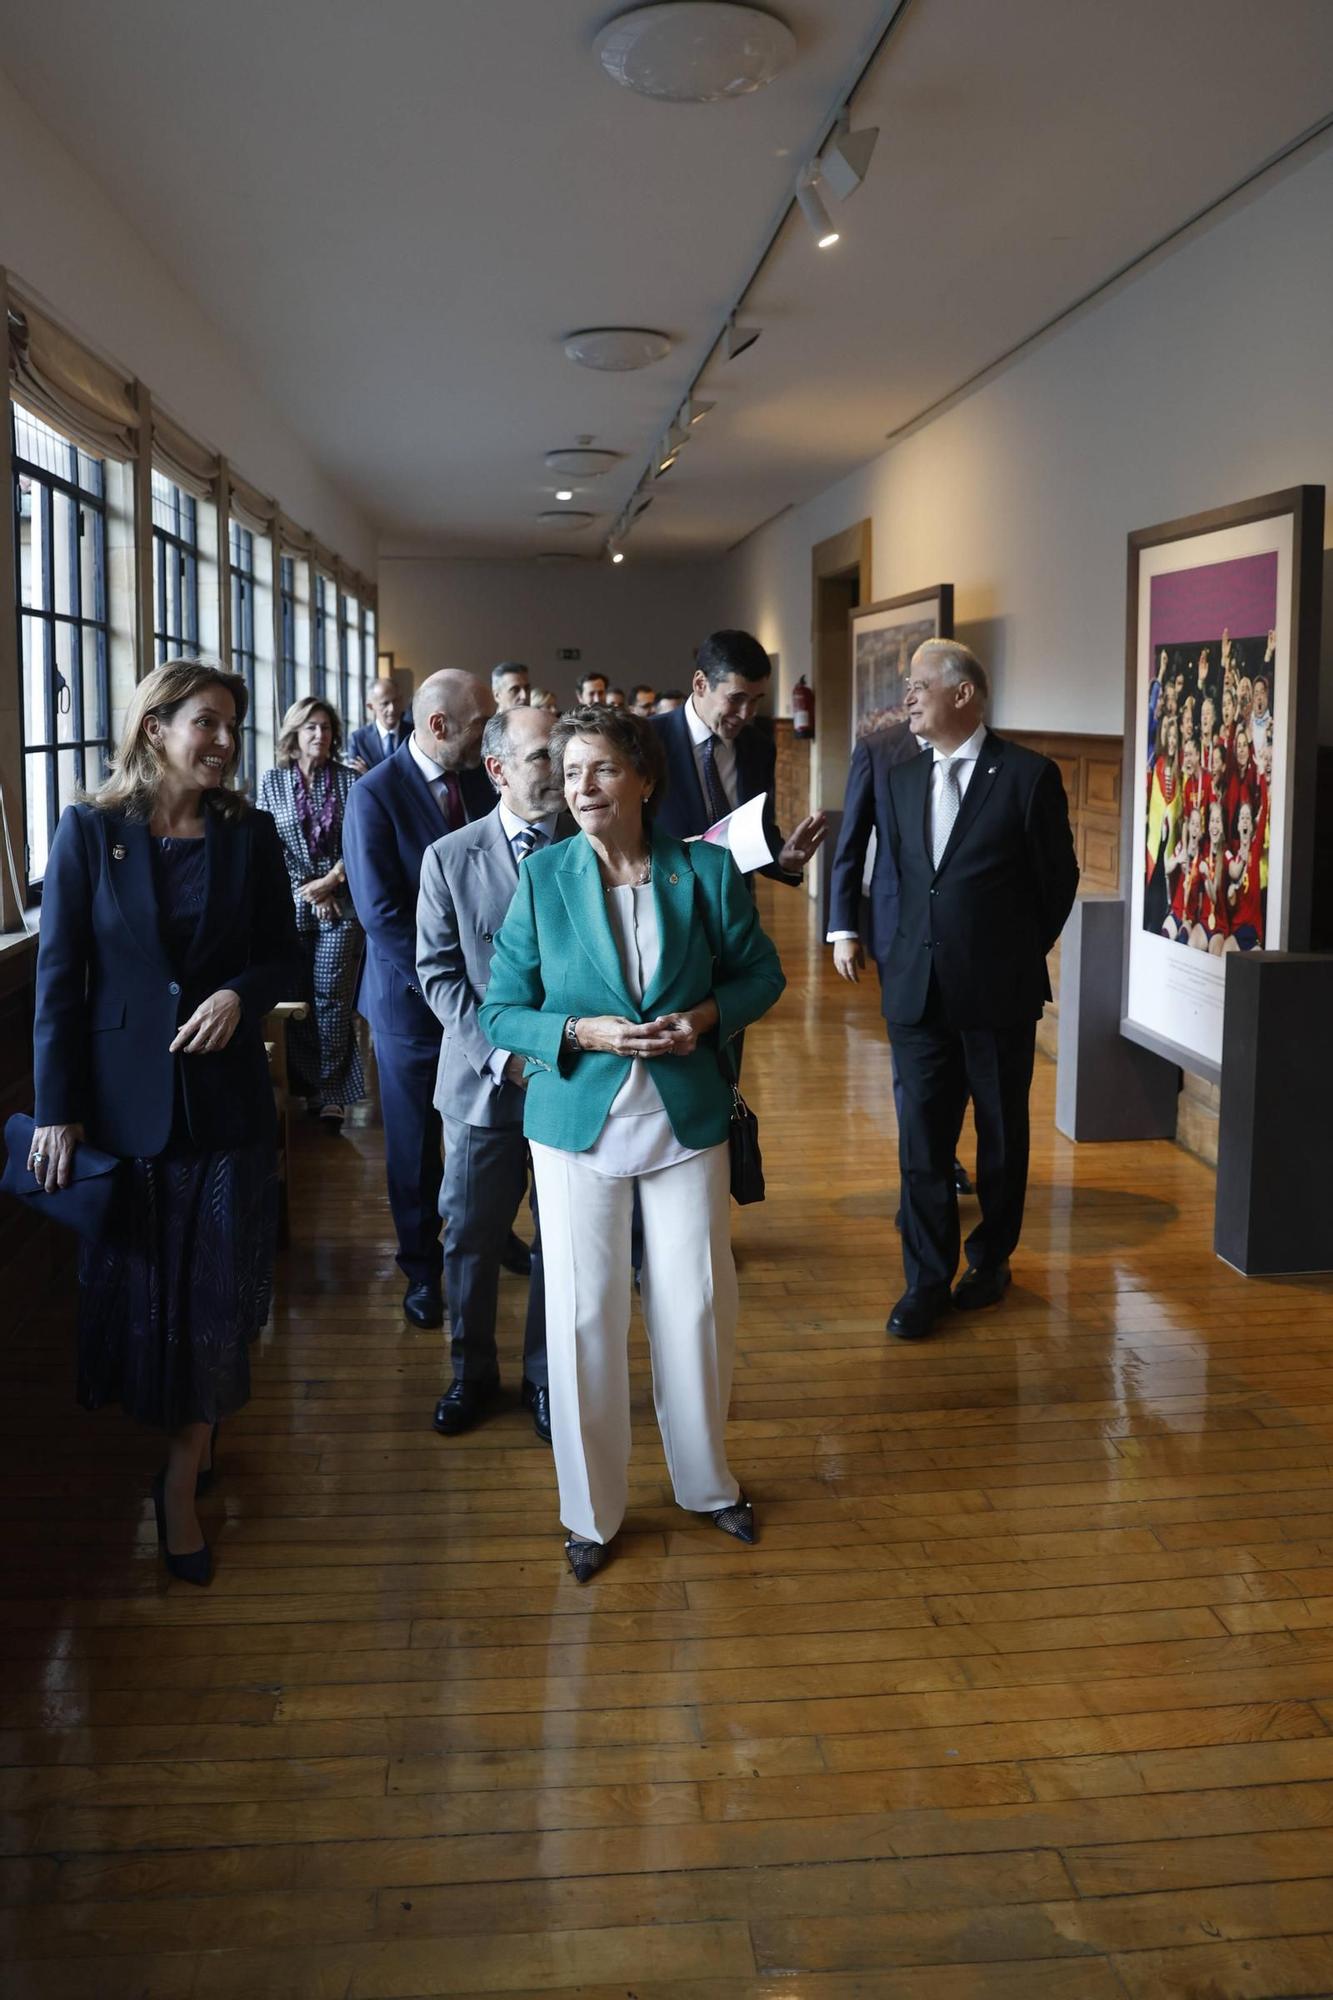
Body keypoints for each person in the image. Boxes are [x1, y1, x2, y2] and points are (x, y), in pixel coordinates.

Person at [479, 706, 786, 1581]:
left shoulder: (707, 871)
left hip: (685, 1118)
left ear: (644, 779)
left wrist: (701, 1019)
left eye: (601, 770)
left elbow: (761, 973)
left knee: (694, 1305)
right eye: (571, 773)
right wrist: (584, 1032)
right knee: (581, 1316)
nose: (581, 788)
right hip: (577, 1124)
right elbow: (501, 1009)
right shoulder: (543, 880)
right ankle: (590, 1511)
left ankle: (705, 1483)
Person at [29, 660, 302, 1585]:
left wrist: (236, 992)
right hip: (121, 1111)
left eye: (232, 725)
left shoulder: (251, 835)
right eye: (207, 724)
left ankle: (181, 1478)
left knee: (216, 1297)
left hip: (224, 1109)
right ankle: (187, 1437)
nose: (224, 742)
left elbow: (282, 958)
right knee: (148, 1302)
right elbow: (59, 983)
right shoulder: (89, 831)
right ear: (155, 729)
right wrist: (57, 1112)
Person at [879, 640, 1078, 1340]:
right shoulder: (900, 778)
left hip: (997, 992)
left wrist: (1010, 952)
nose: (908, 696)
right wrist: (890, 952)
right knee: (921, 1143)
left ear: (962, 694)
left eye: (919, 684)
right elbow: (896, 881)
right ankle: (924, 1281)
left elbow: (1057, 883)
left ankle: (989, 1260)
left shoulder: (1026, 776)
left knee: (998, 1137)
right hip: (915, 993)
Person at [416, 705, 575, 1441]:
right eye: (543, 756)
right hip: (483, 1084)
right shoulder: (450, 856)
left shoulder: (592, 847)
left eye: (564, 755)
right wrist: (503, 1056)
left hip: (575, 1083)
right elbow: (440, 975)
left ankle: (544, 1379)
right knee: (471, 1238)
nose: (560, 771)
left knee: (562, 1240)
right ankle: (470, 1373)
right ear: (498, 768)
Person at [342, 671, 496, 1326]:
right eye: (479, 722)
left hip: (484, 998)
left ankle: (491, 1233)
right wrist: (447, 989)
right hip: (410, 1004)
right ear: (438, 725)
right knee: (414, 1140)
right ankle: (420, 1266)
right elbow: (379, 914)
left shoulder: (479, 782)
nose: (487, 733)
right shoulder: (373, 796)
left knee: (486, 1128)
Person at [827, 718, 973, 1204]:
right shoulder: (878, 749)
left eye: (921, 685)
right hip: (898, 928)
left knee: (958, 1055)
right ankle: (925, 1170)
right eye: (908, 685)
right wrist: (844, 928)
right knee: (911, 1055)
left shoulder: (978, 752)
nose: (911, 696)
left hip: (962, 934)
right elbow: (849, 843)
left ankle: (939, 1151)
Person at [258, 696, 364, 1132]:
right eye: (311, 728)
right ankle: (306, 1085)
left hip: (340, 904)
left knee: (332, 999)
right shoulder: (272, 781)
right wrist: (309, 889)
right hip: (291, 903)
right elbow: (268, 843)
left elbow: (358, 841)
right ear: (294, 735)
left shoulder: (349, 781)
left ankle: (333, 1092)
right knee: (298, 999)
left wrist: (330, 882)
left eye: (326, 728)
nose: (321, 735)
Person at [650, 630, 827, 883]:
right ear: (700, 684)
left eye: (756, 700)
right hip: (667, 902)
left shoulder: (759, 747)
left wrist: (782, 857)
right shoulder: (647, 739)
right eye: (736, 699)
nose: (747, 714)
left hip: (736, 907)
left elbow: (758, 830)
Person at [348, 677, 411, 771]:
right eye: (385, 704)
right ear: (370, 706)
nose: (392, 708)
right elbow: (356, 779)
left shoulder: (414, 733)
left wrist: (368, 774)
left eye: (395, 701)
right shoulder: (358, 740)